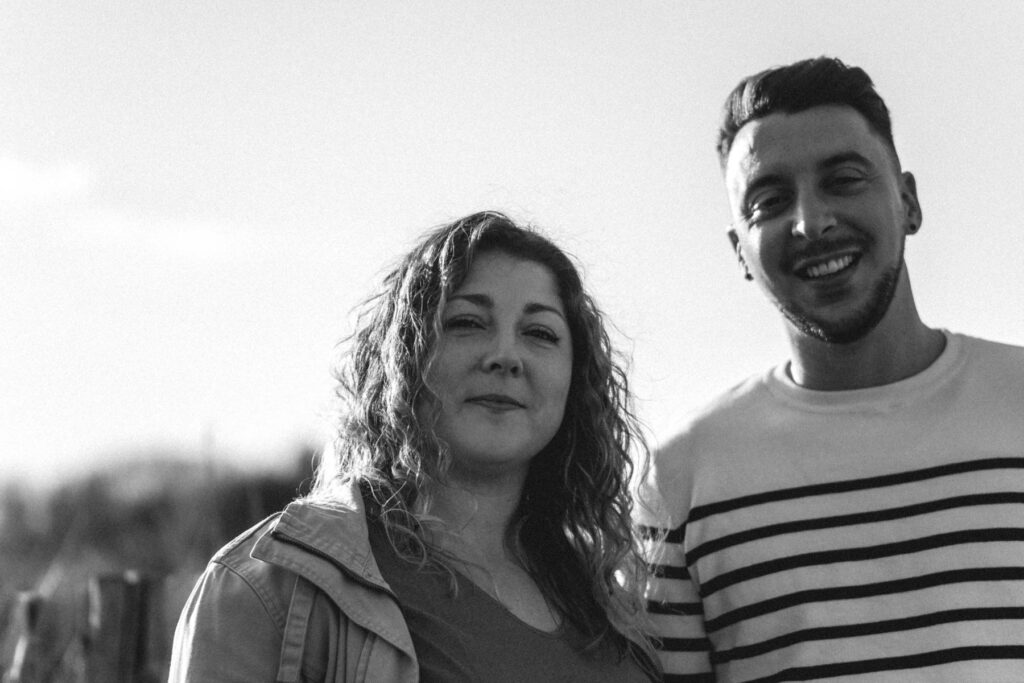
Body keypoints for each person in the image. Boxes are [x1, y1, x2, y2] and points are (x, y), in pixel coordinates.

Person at [638, 57, 1024, 681]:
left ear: (908, 202)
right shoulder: (683, 477)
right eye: (769, 201)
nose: (811, 222)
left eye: (844, 179)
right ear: (739, 251)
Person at [169, 211, 661, 682]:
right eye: (467, 322)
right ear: (404, 358)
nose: (505, 356)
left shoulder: (612, 601)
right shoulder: (274, 580)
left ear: (575, 381)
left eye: (540, 333)